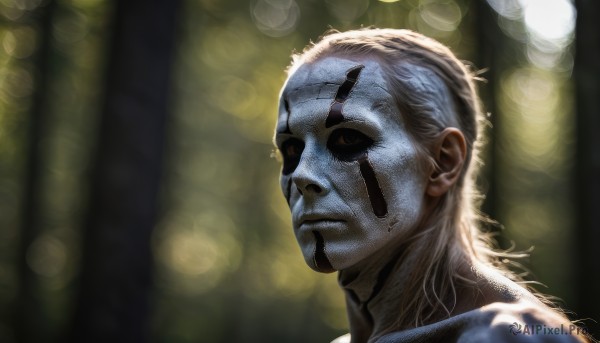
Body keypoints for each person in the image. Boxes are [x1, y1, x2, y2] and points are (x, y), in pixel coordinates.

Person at [272, 28, 590, 343]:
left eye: (347, 138)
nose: (302, 174)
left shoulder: (507, 337)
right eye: (291, 149)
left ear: (442, 162)